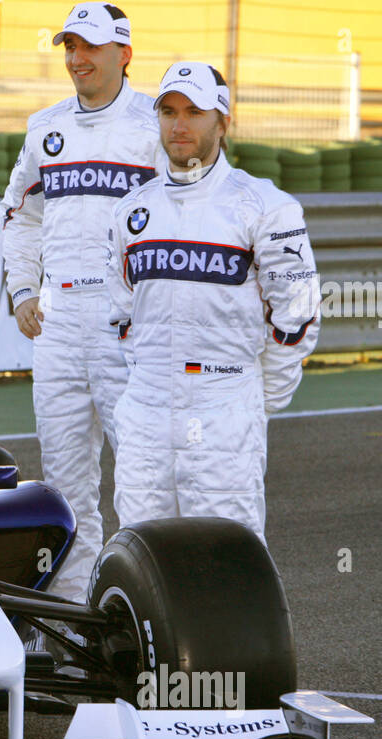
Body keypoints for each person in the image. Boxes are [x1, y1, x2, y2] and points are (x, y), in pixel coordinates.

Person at [106, 62, 321, 541]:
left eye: (194, 112)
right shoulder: (130, 211)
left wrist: (249, 399)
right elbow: (122, 313)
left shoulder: (266, 206)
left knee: (227, 553)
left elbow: (298, 314)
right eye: (168, 111)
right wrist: (151, 376)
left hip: (224, 406)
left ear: (223, 121)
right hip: (145, 406)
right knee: (141, 552)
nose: (179, 125)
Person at [1, 2, 161, 605]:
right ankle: (74, 626)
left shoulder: (158, 126)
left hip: (130, 327)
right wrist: (22, 290)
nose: (77, 59)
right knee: (65, 490)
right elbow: (20, 216)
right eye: (70, 46)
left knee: (144, 483)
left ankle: (152, 618)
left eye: (90, 47)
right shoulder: (44, 127)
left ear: (123, 52)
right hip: (59, 323)